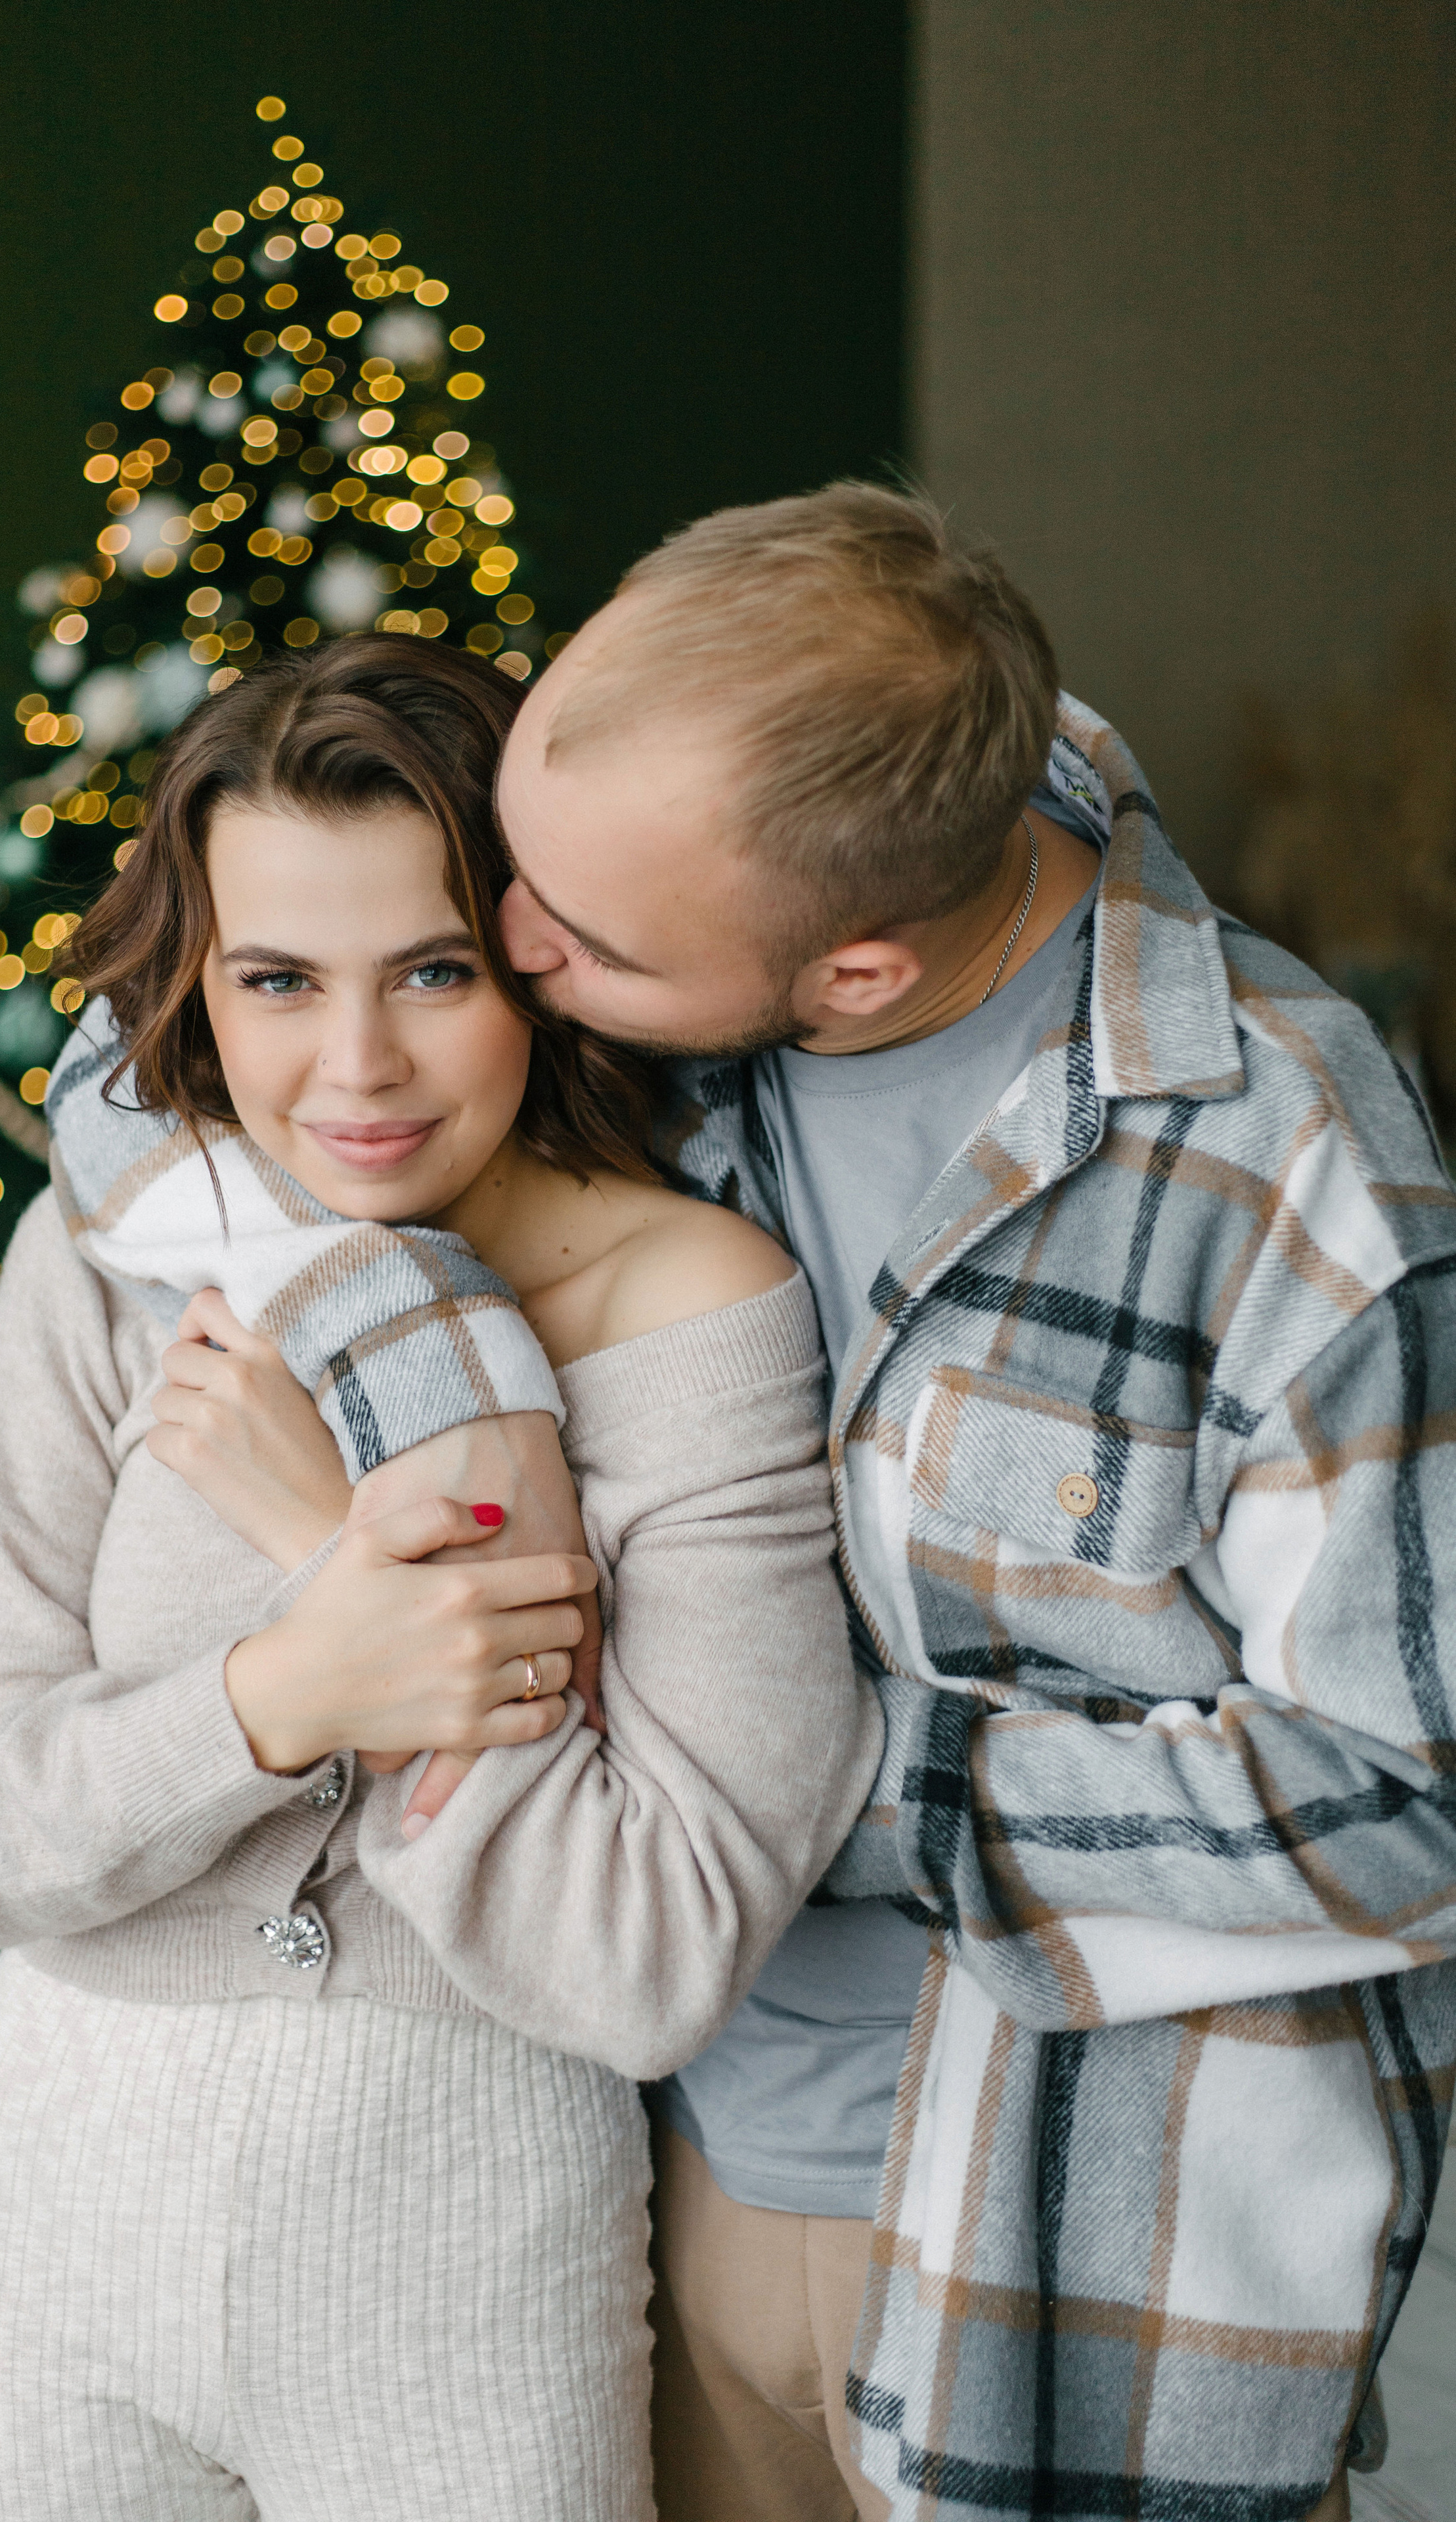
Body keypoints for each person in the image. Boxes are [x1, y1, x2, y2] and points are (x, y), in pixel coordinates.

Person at [483, 483, 1456, 2522]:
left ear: (853, 971)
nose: (509, 953)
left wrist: (817, 1776)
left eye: (587, 939)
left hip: (1067, 2267)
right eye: (515, 867)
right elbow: (202, 1026)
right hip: (646, 2177)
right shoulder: (634, 989)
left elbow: (1409, 1799)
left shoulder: (1294, 1165)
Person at [0, 638, 881, 2521]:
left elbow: (651, 1952)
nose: (353, 1072)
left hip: (460, 2263)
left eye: (432, 974)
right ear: (200, 980)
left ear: (533, 962)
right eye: (277, 981)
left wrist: (329, 1546)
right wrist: (279, 1695)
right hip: (45, 2231)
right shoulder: (115, 1257)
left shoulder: (699, 1320)